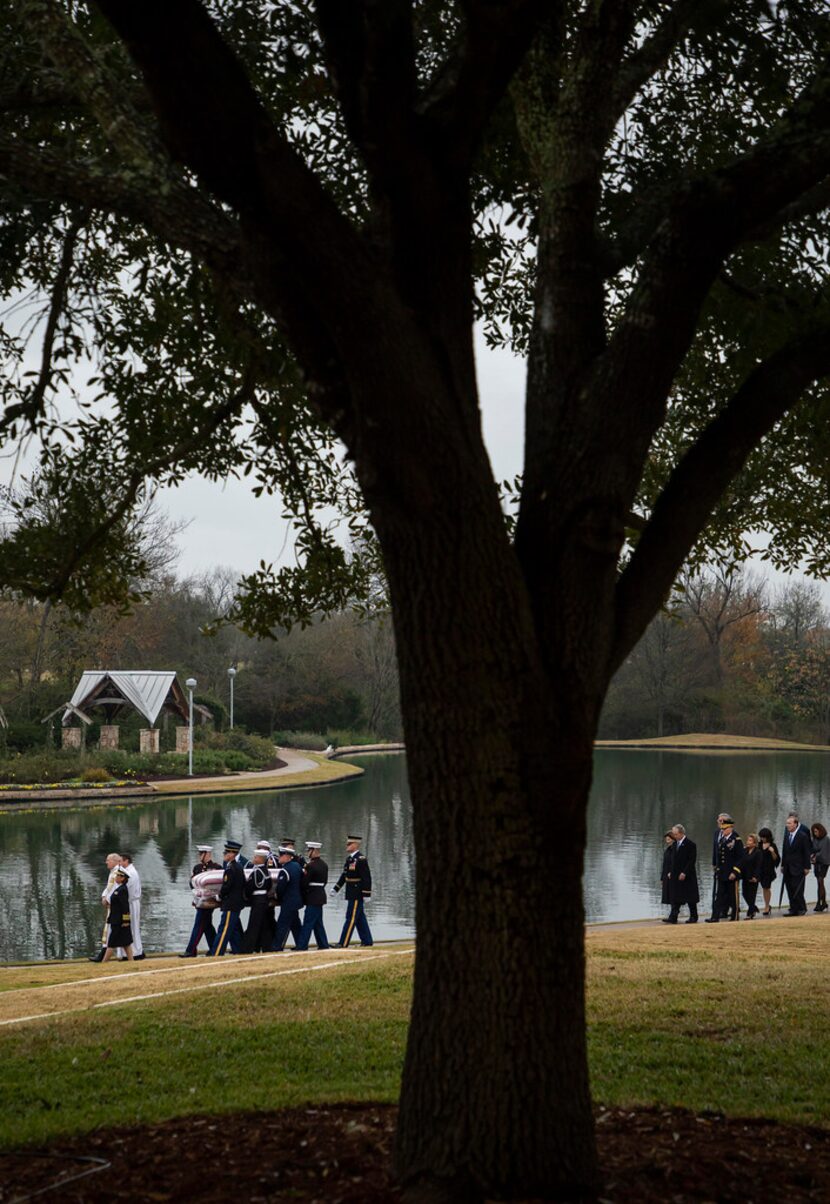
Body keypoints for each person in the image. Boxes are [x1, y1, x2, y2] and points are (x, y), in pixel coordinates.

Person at [179, 845, 222, 957]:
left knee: (199, 924)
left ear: (208, 854)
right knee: (207, 926)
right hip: (200, 901)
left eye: (201, 854)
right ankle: (214, 948)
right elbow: (192, 884)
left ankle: (191, 951)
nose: (199, 856)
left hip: (209, 902)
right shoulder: (197, 868)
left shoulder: (216, 868)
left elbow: (219, 886)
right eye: (199, 853)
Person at [332, 834, 373, 947]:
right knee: (359, 918)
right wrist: (336, 888)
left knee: (350, 918)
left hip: (357, 893)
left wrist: (366, 894)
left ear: (355, 845)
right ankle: (367, 941)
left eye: (349, 844)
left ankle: (343, 943)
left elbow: (366, 877)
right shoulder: (349, 859)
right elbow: (345, 875)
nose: (347, 845)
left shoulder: (361, 859)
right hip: (350, 892)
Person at [208, 840, 247, 955]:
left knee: (224, 929)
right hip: (235, 904)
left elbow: (227, 886)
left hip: (230, 904)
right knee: (233, 929)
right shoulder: (238, 867)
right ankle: (238, 950)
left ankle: (217, 952)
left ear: (231, 855)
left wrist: (219, 896)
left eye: (226, 853)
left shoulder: (231, 869)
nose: (224, 855)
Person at [705, 814, 743, 922]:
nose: (723, 830)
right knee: (719, 896)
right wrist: (717, 869)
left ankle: (734, 916)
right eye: (722, 828)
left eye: (725, 828)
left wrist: (735, 872)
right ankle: (715, 916)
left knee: (733, 896)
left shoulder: (736, 839)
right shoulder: (721, 840)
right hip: (722, 873)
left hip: (732, 873)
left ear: (730, 828)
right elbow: (719, 856)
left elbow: (741, 858)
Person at [296, 841, 330, 950]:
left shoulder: (310, 866)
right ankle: (323, 944)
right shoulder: (324, 864)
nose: (307, 853)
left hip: (312, 897)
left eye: (309, 850)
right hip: (320, 896)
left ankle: (301, 946)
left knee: (308, 923)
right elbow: (324, 882)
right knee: (318, 923)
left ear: (314, 851)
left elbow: (304, 883)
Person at [90, 852, 122, 962]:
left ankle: (104, 956)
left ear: (115, 861)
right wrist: (104, 896)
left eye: (108, 860)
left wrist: (107, 899)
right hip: (111, 904)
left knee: (112, 930)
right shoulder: (113, 872)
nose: (106, 862)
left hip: (115, 905)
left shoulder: (119, 872)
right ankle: (104, 953)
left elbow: (116, 889)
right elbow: (108, 887)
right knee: (109, 929)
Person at [663, 824, 698, 924]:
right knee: (675, 897)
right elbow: (673, 861)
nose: (674, 836)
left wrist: (684, 872)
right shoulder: (675, 844)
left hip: (687, 876)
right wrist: (671, 872)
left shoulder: (690, 844)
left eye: (675, 834)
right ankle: (673, 917)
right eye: (673, 834)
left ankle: (693, 917)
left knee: (690, 898)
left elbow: (691, 861)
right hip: (675, 875)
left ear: (682, 833)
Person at [780, 812, 812, 916]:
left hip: (798, 867)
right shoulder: (787, 835)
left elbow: (806, 852)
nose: (787, 825)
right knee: (789, 888)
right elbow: (784, 851)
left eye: (789, 823)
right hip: (788, 867)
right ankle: (793, 908)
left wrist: (807, 867)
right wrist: (782, 864)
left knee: (797, 888)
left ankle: (802, 908)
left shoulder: (802, 836)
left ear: (795, 824)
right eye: (787, 823)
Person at [272, 846, 303, 951]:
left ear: (287, 856)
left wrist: (277, 896)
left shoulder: (285, 870)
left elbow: (281, 888)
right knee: (295, 924)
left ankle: (276, 947)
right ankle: (301, 944)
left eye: (281, 855)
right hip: (297, 901)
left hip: (288, 902)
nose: (279, 858)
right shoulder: (297, 866)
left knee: (282, 924)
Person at [242, 848, 272, 952]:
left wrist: (246, 897)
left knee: (253, 925)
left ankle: (247, 948)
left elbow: (250, 887)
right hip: (264, 899)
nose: (253, 858)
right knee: (264, 925)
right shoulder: (266, 871)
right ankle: (267, 947)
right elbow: (269, 885)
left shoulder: (256, 872)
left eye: (255, 857)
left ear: (260, 859)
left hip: (257, 900)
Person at [102, 867, 134, 962]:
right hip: (115, 918)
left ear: (122, 878)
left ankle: (104, 962)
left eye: (118, 876)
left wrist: (126, 920)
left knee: (111, 942)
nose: (116, 877)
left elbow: (125, 906)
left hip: (119, 920)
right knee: (125, 942)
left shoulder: (122, 890)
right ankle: (131, 961)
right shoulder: (118, 889)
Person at [118, 853, 145, 960]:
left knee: (132, 927)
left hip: (131, 903)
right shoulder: (127, 872)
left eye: (121, 861)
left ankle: (135, 952)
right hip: (130, 902)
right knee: (130, 927)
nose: (119, 864)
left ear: (126, 861)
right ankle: (130, 952)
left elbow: (125, 888)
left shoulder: (131, 873)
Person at [738, 833, 761, 919]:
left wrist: (755, 877)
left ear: (755, 843)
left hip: (753, 877)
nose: (748, 842)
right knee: (745, 893)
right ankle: (754, 908)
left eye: (750, 841)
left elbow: (758, 866)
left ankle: (750, 913)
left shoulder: (758, 852)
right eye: (748, 840)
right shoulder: (745, 850)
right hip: (745, 876)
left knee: (752, 895)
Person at [757, 827, 780, 916]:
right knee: (763, 887)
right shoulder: (759, 845)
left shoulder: (772, 845)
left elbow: (776, 859)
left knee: (766, 887)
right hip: (760, 870)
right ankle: (766, 905)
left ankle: (767, 906)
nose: (762, 839)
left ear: (768, 837)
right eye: (761, 837)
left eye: (764, 837)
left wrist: (772, 852)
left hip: (768, 870)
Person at [810, 822, 830, 912]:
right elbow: (812, 849)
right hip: (817, 863)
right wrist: (812, 856)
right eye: (814, 832)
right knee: (819, 882)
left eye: (816, 831)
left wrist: (816, 857)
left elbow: (824, 852)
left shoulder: (826, 839)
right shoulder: (814, 839)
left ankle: (820, 902)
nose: (815, 833)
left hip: (824, 862)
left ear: (820, 831)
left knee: (820, 880)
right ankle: (823, 902)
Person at [660, 831, 675, 909]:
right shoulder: (667, 850)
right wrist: (662, 878)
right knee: (668, 895)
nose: (667, 839)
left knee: (673, 895)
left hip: (672, 875)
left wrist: (672, 872)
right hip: (666, 875)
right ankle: (672, 914)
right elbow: (664, 864)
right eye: (666, 838)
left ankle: (674, 914)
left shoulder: (675, 849)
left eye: (669, 838)